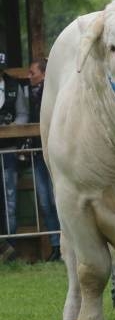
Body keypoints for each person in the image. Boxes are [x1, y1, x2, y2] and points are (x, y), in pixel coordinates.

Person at [22, 58, 63, 261]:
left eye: (32, 72)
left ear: (45, 74)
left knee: (58, 201)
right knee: (45, 202)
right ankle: (56, 245)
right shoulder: (28, 94)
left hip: (55, 151)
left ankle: (67, 245)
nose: (29, 77)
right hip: (38, 151)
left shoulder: (54, 91)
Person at [0, 51, 29, 261]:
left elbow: (22, 114)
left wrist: (12, 128)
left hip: (8, 149)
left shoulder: (13, 86)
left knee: (10, 196)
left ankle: (10, 245)